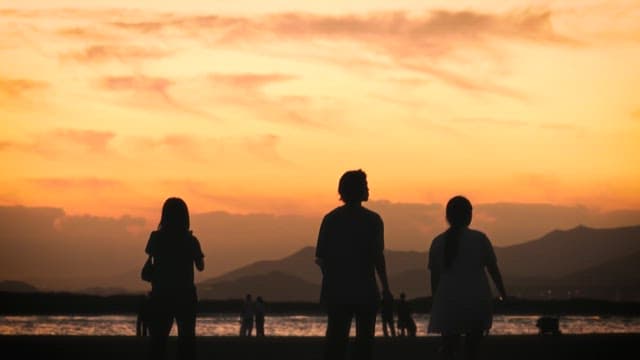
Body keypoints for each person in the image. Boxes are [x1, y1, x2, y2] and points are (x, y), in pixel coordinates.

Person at [315, 169, 393, 360]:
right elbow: (377, 257)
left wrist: (332, 278)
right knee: (365, 343)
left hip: (337, 289)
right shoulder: (373, 220)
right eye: (365, 186)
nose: (368, 189)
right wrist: (386, 288)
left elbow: (321, 258)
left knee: (335, 340)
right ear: (357, 190)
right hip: (365, 289)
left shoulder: (331, 219)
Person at [428, 196, 507, 360]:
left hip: (448, 300)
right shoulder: (479, 239)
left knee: (449, 348)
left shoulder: (437, 242)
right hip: (476, 298)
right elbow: (493, 270)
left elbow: (434, 279)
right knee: (473, 349)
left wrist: (435, 301)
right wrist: (503, 294)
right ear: (468, 215)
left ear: (448, 216)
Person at [145, 197, 205, 360]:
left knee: (158, 341)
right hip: (185, 295)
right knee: (186, 341)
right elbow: (200, 266)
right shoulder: (191, 240)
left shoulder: (156, 237)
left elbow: (151, 259)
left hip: (161, 294)